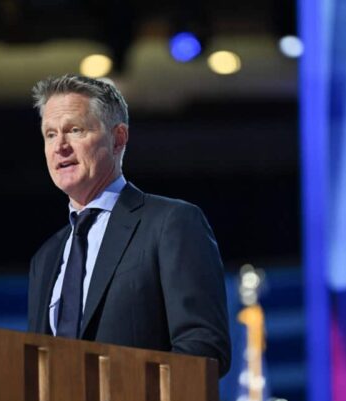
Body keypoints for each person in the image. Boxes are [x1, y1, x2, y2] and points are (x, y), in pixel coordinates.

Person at [27, 74, 231, 376]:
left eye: (74, 130)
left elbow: (203, 348)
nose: (60, 146)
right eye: (50, 134)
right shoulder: (45, 258)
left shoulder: (170, 224)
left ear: (118, 138)